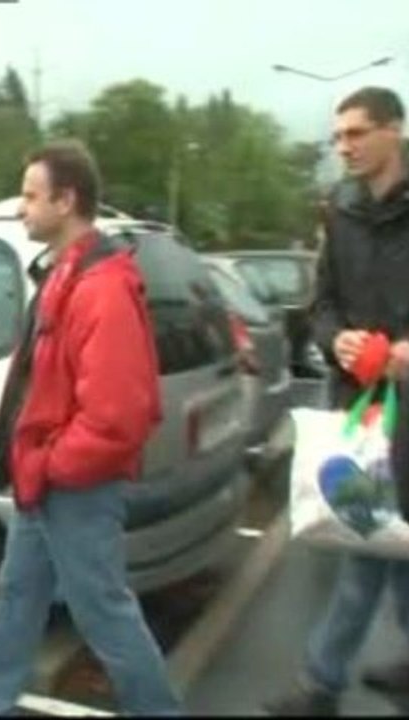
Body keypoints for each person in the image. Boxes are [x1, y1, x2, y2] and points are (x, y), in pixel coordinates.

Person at [0, 140, 181, 716]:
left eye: (32, 197)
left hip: (73, 485)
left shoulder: (102, 289)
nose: (22, 209)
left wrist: (47, 464)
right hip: (44, 480)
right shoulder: (66, 273)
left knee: (104, 612)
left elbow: (117, 418)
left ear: (66, 201)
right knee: (18, 596)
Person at [266, 86, 409, 716]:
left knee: (377, 539)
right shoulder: (340, 212)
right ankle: (323, 682)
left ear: (395, 131)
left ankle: (320, 684)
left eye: (356, 133)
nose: (343, 146)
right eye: (338, 136)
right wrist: (336, 338)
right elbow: (322, 303)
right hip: (362, 407)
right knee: (374, 533)